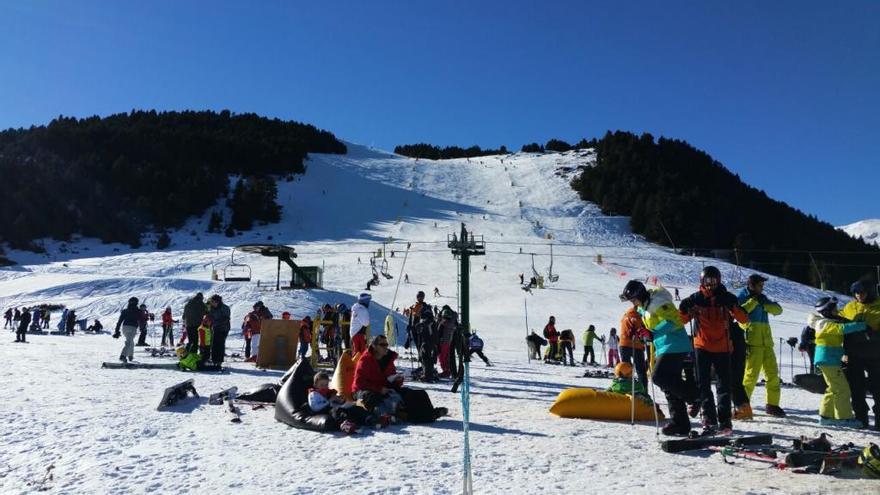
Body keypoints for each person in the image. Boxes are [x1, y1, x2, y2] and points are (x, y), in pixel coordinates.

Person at [679, 266, 749, 435]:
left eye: (713, 281)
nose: (710, 285)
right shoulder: (696, 299)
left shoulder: (726, 299)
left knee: (724, 385)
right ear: (702, 282)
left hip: (723, 347)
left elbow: (744, 319)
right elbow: (681, 320)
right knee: (702, 384)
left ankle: (725, 421)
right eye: (707, 281)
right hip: (702, 346)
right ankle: (709, 419)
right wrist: (683, 308)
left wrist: (734, 305)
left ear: (719, 281)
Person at [620, 279, 695, 436]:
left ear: (639, 295)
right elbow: (651, 326)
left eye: (633, 300)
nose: (633, 304)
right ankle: (680, 423)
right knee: (669, 386)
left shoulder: (658, 302)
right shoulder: (645, 307)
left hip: (675, 344)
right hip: (664, 346)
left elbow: (673, 321)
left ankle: (695, 396)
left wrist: (653, 333)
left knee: (658, 377)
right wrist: (644, 333)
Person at [808, 296, 867, 426]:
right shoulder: (823, 324)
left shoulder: (827, 321)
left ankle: (826, 416)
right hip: (827, 359)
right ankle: (844, 418)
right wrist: (861, 325)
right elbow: (840, 329)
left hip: (829, 359)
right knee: (842, 389)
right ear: (827, 311)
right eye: (834, 309)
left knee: (833, 388)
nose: (837, 311)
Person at [738, 274, 786, 418]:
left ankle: (772, 404)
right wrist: (754, 301)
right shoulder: (742, 296)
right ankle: (742, 406)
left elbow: (778, 310)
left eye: (762, 286)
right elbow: (739, 314)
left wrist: (764, 303)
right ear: (752, 285)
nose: (762, 288)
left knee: (773, 375)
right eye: (760, 285)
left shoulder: (762, 298)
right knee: (750, 376)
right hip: (752, 342)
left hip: (766, 342)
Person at [840, 280, 880, 429]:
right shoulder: (850, 307)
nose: (859, 296)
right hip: (854, 354)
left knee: (878, 388)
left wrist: (873, 334)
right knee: (856, 388)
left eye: (862, 293)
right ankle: (861, 418)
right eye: (856, 293)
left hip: (875, 354)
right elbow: (839, 325)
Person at [352, 335, 402, 426]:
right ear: (374, 346)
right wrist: (379, 389)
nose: (386, 347)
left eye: (386, 344)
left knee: (411, 394)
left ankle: (426, 414)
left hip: (382, 389)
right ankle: (380, 417)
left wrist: (398, 380)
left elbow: (390, 379)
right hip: (362, 391)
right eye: (382, 344)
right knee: (372, 397)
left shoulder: (388, 360)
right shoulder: (365, 360)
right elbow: (360, 383)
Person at [620, 308, 649, 387]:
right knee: (641, 370)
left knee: (626, 369)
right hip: (636, 345)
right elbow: (641, 330)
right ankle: (643, 390)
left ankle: (627, 388)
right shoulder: (638, 316)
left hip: (624, 344)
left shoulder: (625, 316)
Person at [114, 298, 141, 362]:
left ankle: (130, 355)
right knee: (129, 342)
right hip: (133, 328)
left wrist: (117, 330)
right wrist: (142, 328)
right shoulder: (138, 311)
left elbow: (120, 321)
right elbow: (141, 320)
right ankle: (123, 356)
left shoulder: (125, 310)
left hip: (125, 327)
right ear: (136, 303)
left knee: (130, 341)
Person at [207, 294, 231, 366]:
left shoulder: (225, 308)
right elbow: (210, 316)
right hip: (215, 328)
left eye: (212, 302)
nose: (211, 303)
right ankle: (214, 360)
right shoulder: (212, 308)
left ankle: (219, 361)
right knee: (214, 344)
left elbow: (226, 318)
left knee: (220, 344)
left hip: (223, 328)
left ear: (217, 302)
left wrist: (216, 322)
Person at [437, 306, 457, 378]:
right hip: (448, 342)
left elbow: (438, 333)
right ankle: (447, 370)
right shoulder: (452, 322)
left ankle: (446, 371)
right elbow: (454, 316)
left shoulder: (443, 323)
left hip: (443, 342)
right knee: (446, 357)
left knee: (442, 357)